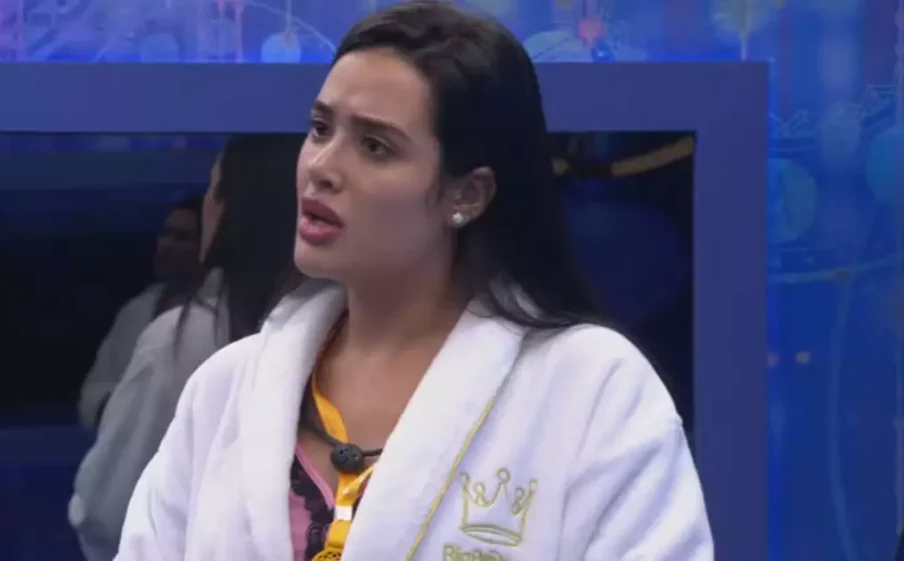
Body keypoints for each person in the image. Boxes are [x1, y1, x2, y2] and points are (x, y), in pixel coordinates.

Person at [117, 2, 714, 560]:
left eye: (375, 146)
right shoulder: (225, 389)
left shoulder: (592, 388)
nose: (322, 167)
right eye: (321, 128)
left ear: (467, 194)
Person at [68, 134, 304, 561]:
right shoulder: (353, 326)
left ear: (232, 212)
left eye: (214, 189)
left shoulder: (184, 337)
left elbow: (110, 509)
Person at [76, 193, 203, 428]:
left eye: (182, 238)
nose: (167, 245)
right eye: (165, 234)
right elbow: (95, 389)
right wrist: (119, 410)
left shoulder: (228, 313)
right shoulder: (137, 310)